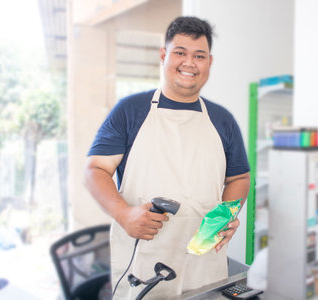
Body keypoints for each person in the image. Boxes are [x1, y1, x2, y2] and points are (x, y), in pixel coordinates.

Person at [83, 16, 250, 299]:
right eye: (180, 53)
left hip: (204, 258)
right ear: (164, 55)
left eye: (199, 55)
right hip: (146, 257)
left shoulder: (223, 121)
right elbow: (94, 170)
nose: (189, 63)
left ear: (209, 62)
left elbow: (239, 177)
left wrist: (226, 214)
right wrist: (124, 214)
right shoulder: (130, 111)